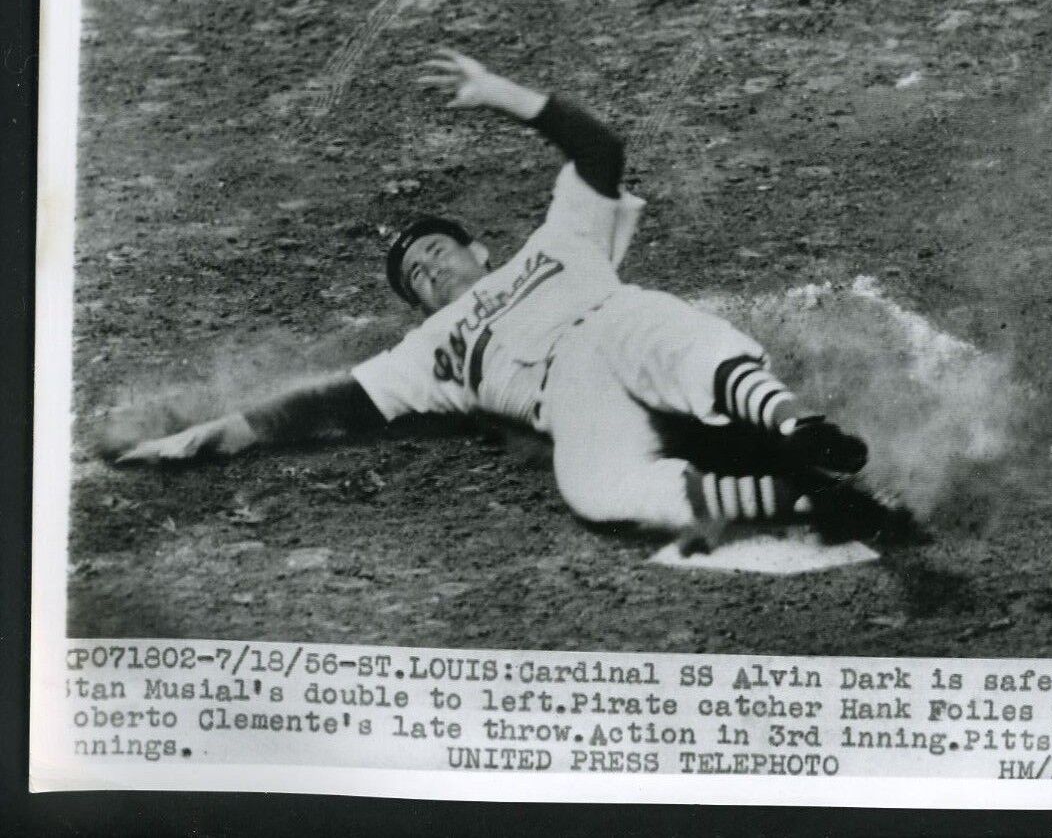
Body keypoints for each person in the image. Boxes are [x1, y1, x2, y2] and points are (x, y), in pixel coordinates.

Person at [118, 50, 888, 550]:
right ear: (418, 309)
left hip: (613, 324)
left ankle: (797, 426)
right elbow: (327, 403)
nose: (426, 267)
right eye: (413, 275)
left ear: (480, 249)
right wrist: (207, 434)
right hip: (571, 398)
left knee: (672, 337)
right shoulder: (426, 353)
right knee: (591, 487)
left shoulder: (556, 241)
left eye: (435, 249)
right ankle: (805, 494)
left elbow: (602, 151)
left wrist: (500, 95)